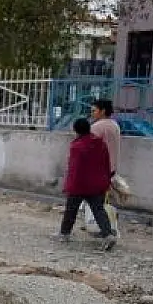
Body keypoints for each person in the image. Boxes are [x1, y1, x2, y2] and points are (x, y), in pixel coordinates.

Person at [54, 118, 117, 250]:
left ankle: (64, 234)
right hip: (97, 184)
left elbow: (74, 168)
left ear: (76, 130)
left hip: (79, 184)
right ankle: (108, 235)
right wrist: (107, 180)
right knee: (99, 210)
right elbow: (107, 164)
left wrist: (68, 186)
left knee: (71, 210)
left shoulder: (76, 146)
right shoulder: (100, 144)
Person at [82, 99, 123, 235]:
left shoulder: (97, 127)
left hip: (97, 169)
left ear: (103, 111)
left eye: (94, 110)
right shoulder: (115, 125)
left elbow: (87, 147)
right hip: (110, 169)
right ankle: (103, 227)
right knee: (100, 200)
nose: (92, 113)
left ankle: (105, 230)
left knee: (94, 202)